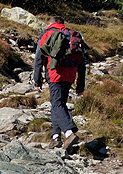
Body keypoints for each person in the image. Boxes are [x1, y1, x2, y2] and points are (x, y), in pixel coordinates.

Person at [33, 16, 86, 153]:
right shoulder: (72, 35)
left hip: (55, 73)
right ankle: (56, 137)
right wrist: (80, 85)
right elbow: (82, 62)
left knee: (57, 104)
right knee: (58, 103)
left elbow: (39, 58)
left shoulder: (47, 33)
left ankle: (69, 132)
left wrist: (37, 80)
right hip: (70, 74)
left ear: (50, 23)